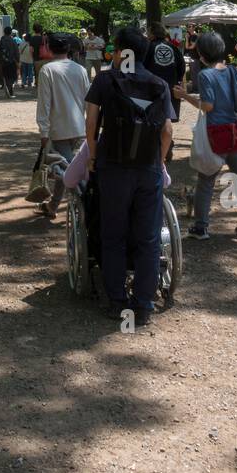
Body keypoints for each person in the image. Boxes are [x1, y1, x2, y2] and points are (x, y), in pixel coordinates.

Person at [85, 27, 173, 326]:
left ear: (121, 51)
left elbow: (91, 123)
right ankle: (144, 304)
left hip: (113, 166)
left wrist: (94, 157)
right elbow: (167, 132)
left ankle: (117, 300)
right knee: (148, 238)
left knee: (114, 235)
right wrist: (158, 163)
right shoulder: (159, 84)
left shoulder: (105, 80)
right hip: (147, 169)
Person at [174, 30, 237, 239]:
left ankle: (201, 226)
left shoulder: (205, 75)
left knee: (206, 180)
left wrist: (184, 95)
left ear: (201, 53)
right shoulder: (232, 70)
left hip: (217, 134)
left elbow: (207, 106)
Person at [35, 32, 91, 220]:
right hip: (80, 128)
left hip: (59, 130)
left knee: (67, 172)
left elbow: (44, 103)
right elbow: (88, 100)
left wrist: (43, 131)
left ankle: (86, 208)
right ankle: (53, 206)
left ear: (49, 48)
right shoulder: (80, 69)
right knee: (68, 169)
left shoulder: (47, 70)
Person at [0, 25, 20, 98]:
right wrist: (18, 61)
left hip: (3, 62)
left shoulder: (0, 41)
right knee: (12, 77)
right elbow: (16, 52)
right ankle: (10, 90)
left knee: (5, 76)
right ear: (10, 33)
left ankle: (7, 88)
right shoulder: (13, 41)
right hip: (11, 62)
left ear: (4, 32)